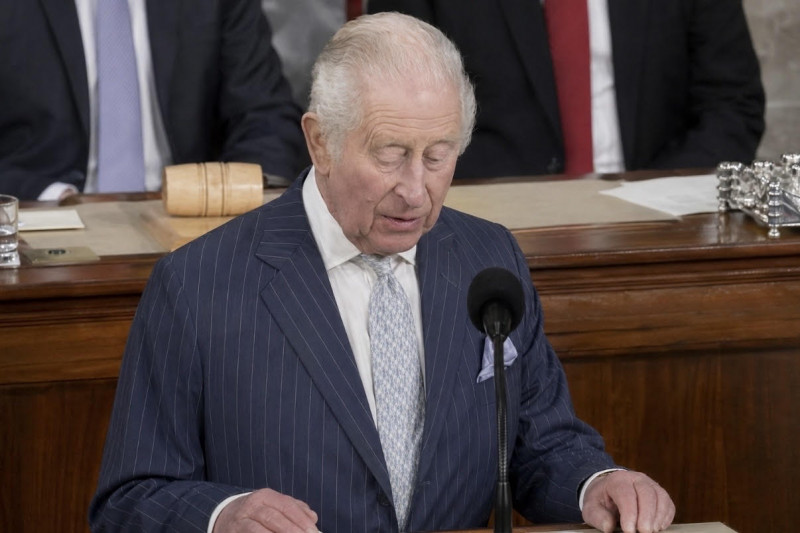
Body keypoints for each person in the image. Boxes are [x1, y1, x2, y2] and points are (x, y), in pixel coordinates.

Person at [90, 12, 674, 533]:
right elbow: (129, 501)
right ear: (320, 142)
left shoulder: (488, 256)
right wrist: (221, 516)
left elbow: (540, 443)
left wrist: (596, 483)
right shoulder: (196, 284)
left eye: (438, 155)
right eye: (390, 154)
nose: (415, 190)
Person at [368, 0, 766, 179]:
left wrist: (657, 195)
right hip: (487, 225)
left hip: (656, 219)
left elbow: (732, 106)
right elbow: (395, 113)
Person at [0, 0, 306, 201]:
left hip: (188, 225)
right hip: (36, 220)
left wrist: (231, 195)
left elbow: (266, 115)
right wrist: (47, 196)